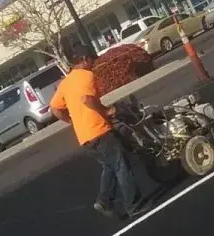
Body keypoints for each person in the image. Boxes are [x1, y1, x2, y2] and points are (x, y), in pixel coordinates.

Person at [49, 46, 143, 220]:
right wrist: (106, 111)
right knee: (121, 165)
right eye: (91, 60)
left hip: (85, 138)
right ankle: (134, 206)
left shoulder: (65, 83)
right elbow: (87, 99)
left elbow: (55, 109)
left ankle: (104, 201)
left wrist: (71, 121)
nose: (93, 63)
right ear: (84, 59)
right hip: (99, 131)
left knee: (109, 166)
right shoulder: (86, 75)